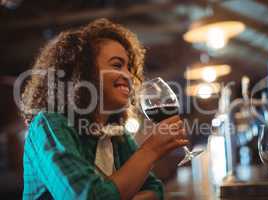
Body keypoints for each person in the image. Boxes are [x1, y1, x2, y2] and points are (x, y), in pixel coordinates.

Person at [21, 18, 188, 200]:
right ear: (82, 71)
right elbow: (88, 196)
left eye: (129, 68)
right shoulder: (49, 125)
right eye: (117, 65)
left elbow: (155, 189)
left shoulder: (116, 135)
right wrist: (151, 150)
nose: (129, 76)